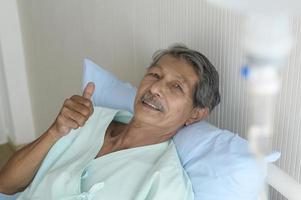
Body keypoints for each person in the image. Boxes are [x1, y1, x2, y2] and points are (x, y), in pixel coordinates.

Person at [0, 45, 220, 200]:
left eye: (176, 87)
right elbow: (6, 184)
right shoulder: (88, 118)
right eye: (154, 75)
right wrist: (54, 132)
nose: (155, 89)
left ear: (195, 114)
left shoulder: (166, 183)